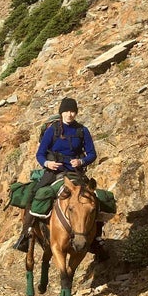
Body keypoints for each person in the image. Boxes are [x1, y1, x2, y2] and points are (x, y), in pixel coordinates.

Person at [13, 97, 106, 257]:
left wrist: (81, 161)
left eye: (72, 111)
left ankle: (95, 238)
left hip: (75, 173)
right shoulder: (53, 130)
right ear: (61, 112)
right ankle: (26, 234)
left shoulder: (82, 131)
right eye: (66, 111)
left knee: (94, 200)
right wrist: (47, 164)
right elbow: (40, 154)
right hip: (54, 172)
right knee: (35, 193)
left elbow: (92, 154)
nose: (69, 114)